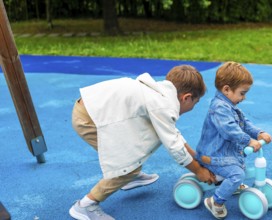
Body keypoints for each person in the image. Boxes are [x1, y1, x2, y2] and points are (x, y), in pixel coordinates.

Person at [69, 65, 216, 220]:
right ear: (186, 98)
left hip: (93, 110)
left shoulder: (160, 93)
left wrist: (197, 157)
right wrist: (198, 171)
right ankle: (85, 205)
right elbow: (173, 146)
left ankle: (126, 176)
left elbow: (172, 135)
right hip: (90, 119)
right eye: (195, 102)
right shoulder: (164, 106)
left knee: (131, 157)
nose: (193, 107)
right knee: (127, 167)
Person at [195, 61, 272, 219]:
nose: (244, 97)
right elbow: (230, 130)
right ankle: (215, 201)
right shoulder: (219, 108)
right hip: (213, 156)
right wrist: (249, 141)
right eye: (242, 93)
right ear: (226, 89)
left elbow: (244, 123)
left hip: (226, 153)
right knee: (237, 174)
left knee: (240, 167)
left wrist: (259, 133)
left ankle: (230, 185)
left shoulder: (231, 105)